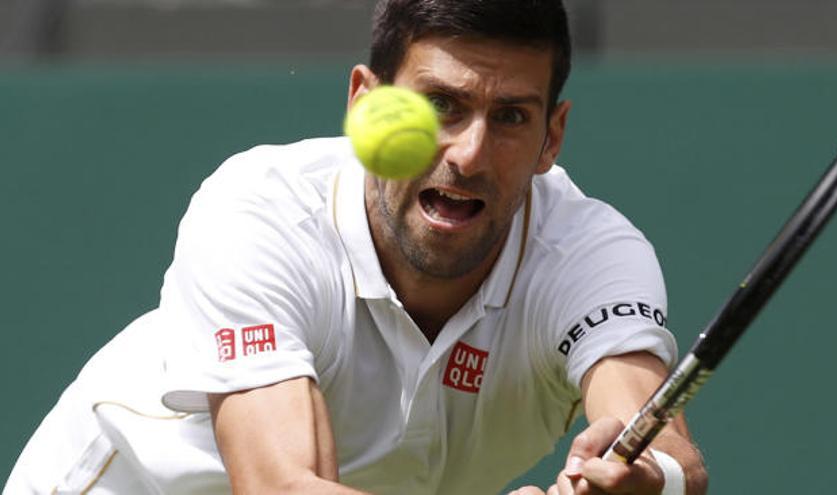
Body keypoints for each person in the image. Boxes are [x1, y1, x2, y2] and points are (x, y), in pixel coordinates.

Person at [5, 1, 708, 494]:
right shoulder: (259, 213)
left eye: (511, 117)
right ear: (365, 102)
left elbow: (664, 446)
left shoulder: (588, 253)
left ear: (552, 137)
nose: (469, 153)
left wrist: (646, 479)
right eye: (442, 105)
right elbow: (282, 486)